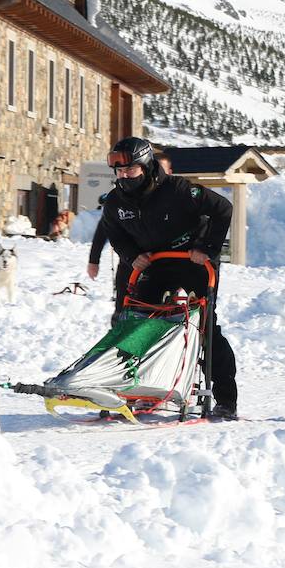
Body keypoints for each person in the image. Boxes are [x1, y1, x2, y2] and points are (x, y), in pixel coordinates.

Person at [101, 137, 237, 419]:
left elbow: (223, 209)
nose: (124, 175)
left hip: (193, 263)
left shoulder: (178, 190)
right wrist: (131, 255)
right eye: (119, 171)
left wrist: (206, 249)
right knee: (140, 324)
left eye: (131, 169)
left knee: (205, 327)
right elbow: (115, 233)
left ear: (146, 165)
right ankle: (137, 389)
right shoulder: (115, 201)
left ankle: (226, 398)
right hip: (155, 265)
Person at [88, 150, 172, 322]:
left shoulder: (173, 194)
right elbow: (106, 227)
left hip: (165, 265)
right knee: (124, 311)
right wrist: (94, 259)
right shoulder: (126, 196)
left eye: (161, 169)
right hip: (131, 263)